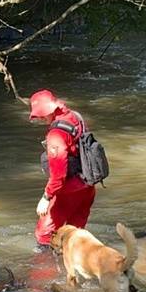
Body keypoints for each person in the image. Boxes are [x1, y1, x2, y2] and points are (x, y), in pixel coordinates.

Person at [29, 89, 97, 250]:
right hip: (88, 184)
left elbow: (58, 174)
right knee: (75, 232)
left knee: (45, 235)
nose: (41, 119)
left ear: (46, 113)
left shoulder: (56, 134)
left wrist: (46, 197)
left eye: (40, 116)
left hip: (69, 189)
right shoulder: (75, 117)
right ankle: (75, 270)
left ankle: (45, 272)